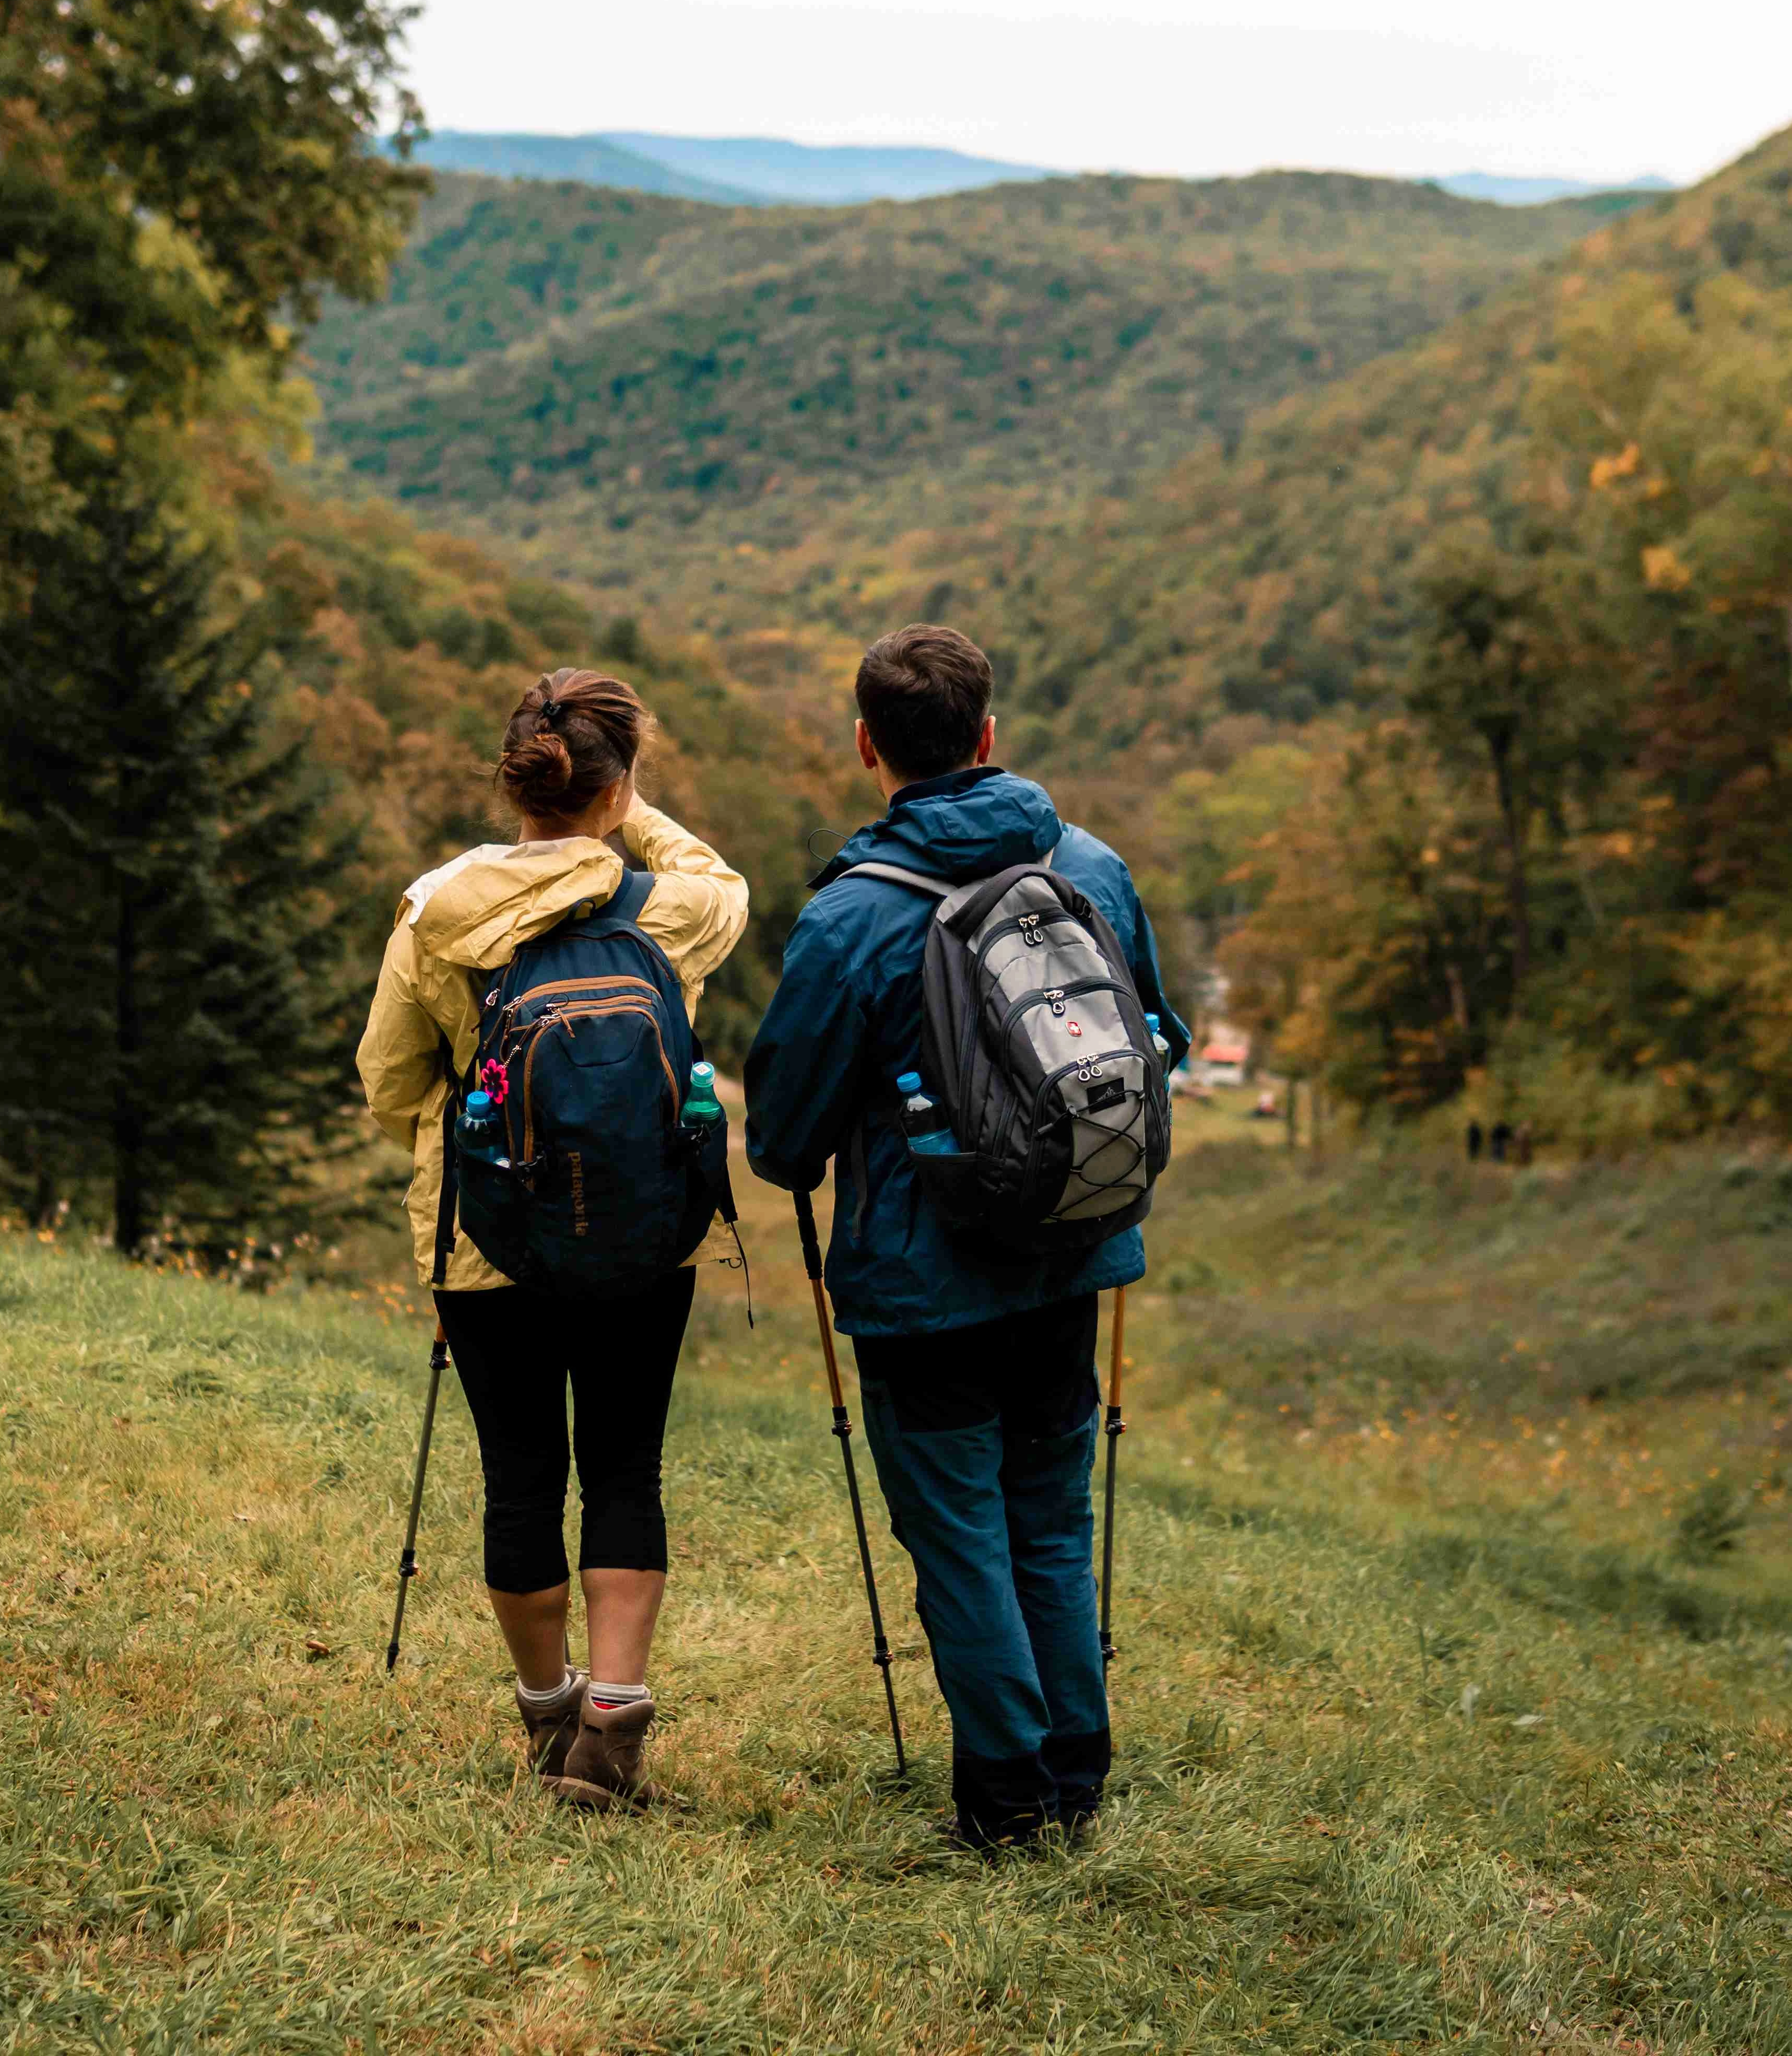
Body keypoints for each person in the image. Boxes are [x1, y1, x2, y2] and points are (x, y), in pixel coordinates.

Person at [741, 623, 1190, 1850]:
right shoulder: (1088, 866)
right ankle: (1078, 1771)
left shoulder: (849, 917)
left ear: (866, 747)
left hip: (921, 1281)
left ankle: (1006, 1801)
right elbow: (1163, 1040)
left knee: (959, 1531)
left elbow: (782, 1136)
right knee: (1047, 1511)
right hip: (1072, 1250)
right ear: (989, 735)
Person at [356, 667, 748, 1807]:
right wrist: (626, 811)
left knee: (519, 1475)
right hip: (643, 1230)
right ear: (617, 789)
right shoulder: (666, 910)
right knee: (626, 1462)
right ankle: (617, 1720)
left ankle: (546, 1714)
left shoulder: (437, 910)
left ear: (516, 779)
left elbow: (388, 1080)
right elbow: (718, 877)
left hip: (487, 1240)